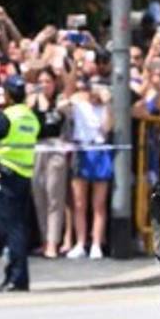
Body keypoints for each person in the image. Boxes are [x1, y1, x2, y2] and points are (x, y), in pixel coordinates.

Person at [0, 75, 37, 291]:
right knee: (18, 227)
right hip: (23, 176)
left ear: (7, 94)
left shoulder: (5, 116)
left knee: (9, 228)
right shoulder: (30, 117)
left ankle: (16, 278)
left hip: (5, 175)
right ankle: (16, 276)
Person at [67, 79, 113, 259]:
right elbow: (65, 102)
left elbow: (108, 128)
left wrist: (108, 102)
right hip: (82, 151)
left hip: (100, 151)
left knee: (99, 204)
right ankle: (80, 242)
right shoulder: (79, 105)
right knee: (79, 203)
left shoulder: (105, 108)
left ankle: (96, 243)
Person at [29, 67, 68, 259]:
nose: (44, 85)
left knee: (54, 196)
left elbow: (59, 117)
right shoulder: (32, 102)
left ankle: (53, 242)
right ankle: (44, 239)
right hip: (36, 149)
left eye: (48, 81)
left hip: (55, 148)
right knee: (39, 196)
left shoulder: (59, 101)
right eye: (41, 81)